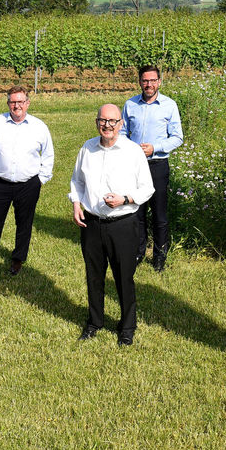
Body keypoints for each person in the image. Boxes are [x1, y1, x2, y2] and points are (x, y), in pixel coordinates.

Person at [69, 104, 155, 346]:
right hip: (92, 224)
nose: (107, 125)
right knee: (94, 276)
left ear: (121, 124)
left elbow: (147, 188)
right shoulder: (88, 148)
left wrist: (125, 199)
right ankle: (94, 321)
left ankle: (127, 326)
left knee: (123, 277)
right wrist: (76, 202)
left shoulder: (132, 151)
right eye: (102, 120)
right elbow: (77, 181)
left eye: (112, 121)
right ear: (96, 122)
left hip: (123, 224)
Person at [0, 85, 54, 277]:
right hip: (0, 183)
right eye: (13, 102)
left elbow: (48, 155)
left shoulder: (39, 127)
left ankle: (18, 259)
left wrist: (40, 180)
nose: (17, 106)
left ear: (27, 103)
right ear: (8, 103)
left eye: (20, 102)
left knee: (24, 223)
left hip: (28, 184)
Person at [121, 65, 183, 272]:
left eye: (152, 80)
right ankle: (138, 252)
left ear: (159, 82)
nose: (149, 84)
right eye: (145, 81)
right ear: (140, 82)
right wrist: (131, 148)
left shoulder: (169, 105)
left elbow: (177, 137)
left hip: (157, 164)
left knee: (159, 213)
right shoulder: (130, 105)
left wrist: (155, 148)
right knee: (137, 211)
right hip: (135, 166)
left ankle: (159, 255)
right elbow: (122, 132)